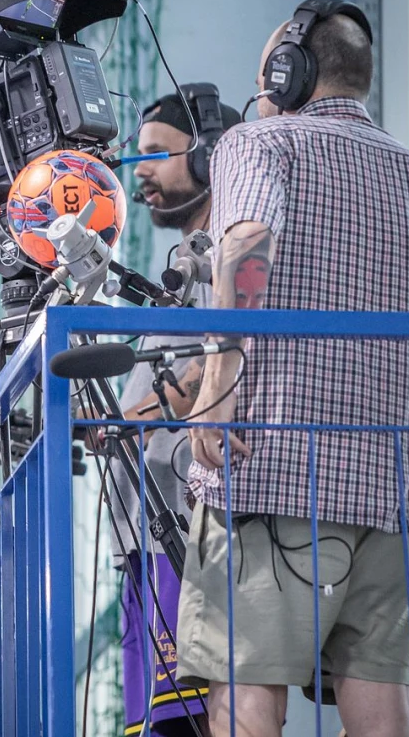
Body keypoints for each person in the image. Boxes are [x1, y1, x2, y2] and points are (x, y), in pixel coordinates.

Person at [176, 0, 409, 737]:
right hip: (388, 482)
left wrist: (217, 383)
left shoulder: (260, 142)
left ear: (287, 73)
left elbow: (246, 241)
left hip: (273, 468)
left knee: (246, 688)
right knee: (380, 704)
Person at [106, 86, 241, 737]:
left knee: (194, 724)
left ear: (211, 155)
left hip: (185, 533)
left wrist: (133, 418)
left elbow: (213, 365)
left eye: (158, 154)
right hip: (145, 537)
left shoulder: (230, 254)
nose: (141, 174)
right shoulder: (184, 263)